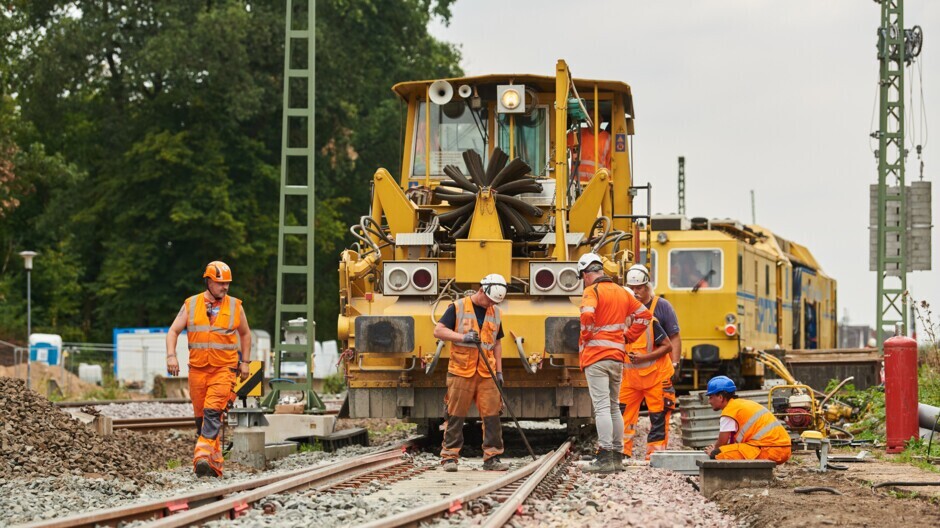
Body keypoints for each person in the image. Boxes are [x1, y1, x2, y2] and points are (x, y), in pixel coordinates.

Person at [166, 261, 251, 477]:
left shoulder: (235, 306)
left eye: (228, 284)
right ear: (209, 281)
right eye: (221, 283)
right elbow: (173, 331)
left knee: (213, 412)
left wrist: (246, 362)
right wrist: (171, 356)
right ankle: (214, 464)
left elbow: (245, 334)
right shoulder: (191, 304)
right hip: (197, 370)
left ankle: (201, 456)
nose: (225, 288)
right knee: (201, 419)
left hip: (224, 369)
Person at [577, 253, 653, 473]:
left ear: (585, 274)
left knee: (601, 407)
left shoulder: (592, 291)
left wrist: (587, 335)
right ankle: (617, 456)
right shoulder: (622, 292)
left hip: (596, 358)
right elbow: (644, 316)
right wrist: (628, 337)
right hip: (616, 358)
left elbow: (587, 315)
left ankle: (604, 456)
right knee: (613, 406)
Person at [434, 274, 510, 472]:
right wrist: (463, 337)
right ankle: (450, 457)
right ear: (481, 290)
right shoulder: (457, 307)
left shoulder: (495, 311)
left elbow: (497, 342)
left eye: (495, 301)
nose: (491, 304)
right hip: (461, 371)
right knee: (455, 415)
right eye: (490, 299)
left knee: (492, 416)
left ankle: (492, 457)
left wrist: (499, 371)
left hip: (487, 372)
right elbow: (439, 330)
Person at [621, 264, 681, 459]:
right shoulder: (624, 312)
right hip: (631, 377)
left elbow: (673, 339)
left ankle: (655, 455)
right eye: (632, 287)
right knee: (624, 417)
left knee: (658, 416)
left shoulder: (660, 308)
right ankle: (622, 451)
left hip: (657, 376)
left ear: (647, 287)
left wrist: (675, 364)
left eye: (639, 287)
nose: (636, 291)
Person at [704, 376, 792, 464]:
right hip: (781, 448)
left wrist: (713, 450)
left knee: (718, 453)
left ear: (720, 397)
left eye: (711, 397)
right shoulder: (740, 405)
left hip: (771, 450)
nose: (709, 401)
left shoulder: (729, 412)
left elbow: (722, 442)